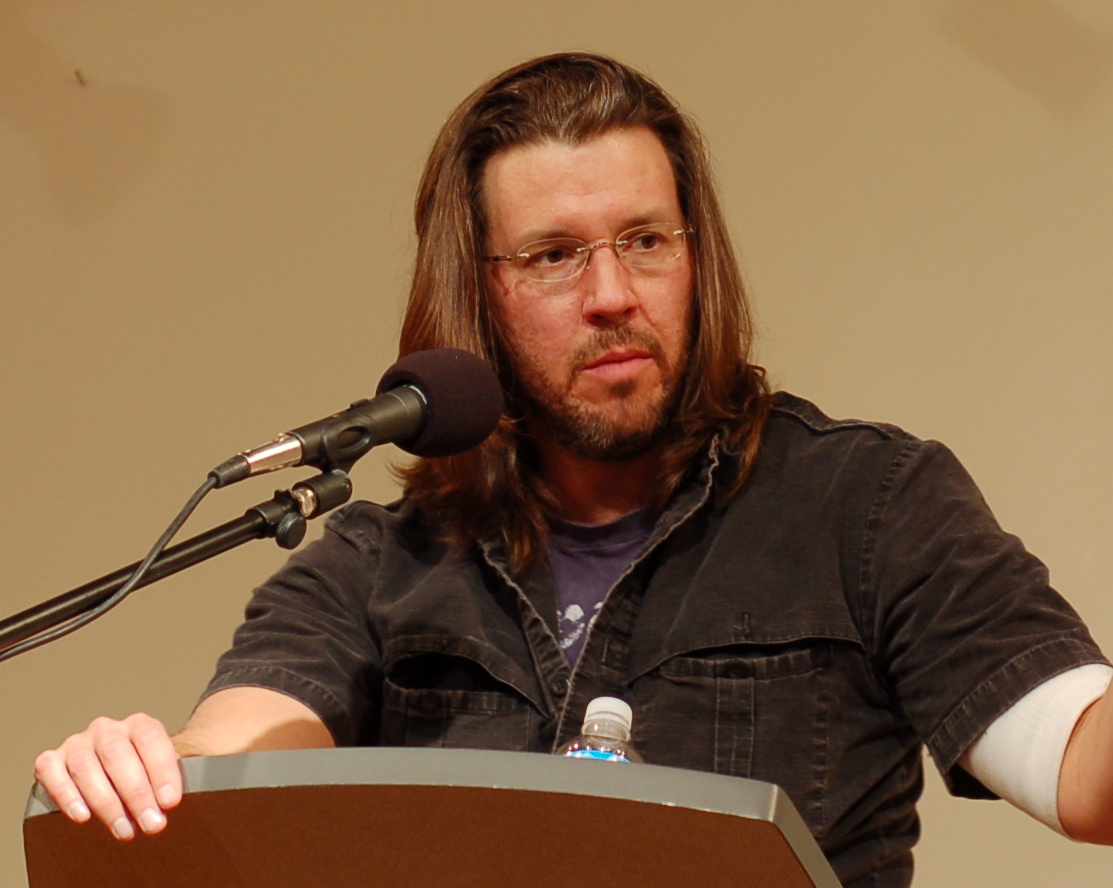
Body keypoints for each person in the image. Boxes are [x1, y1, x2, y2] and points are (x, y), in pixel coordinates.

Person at [33, 53, 1113, 887]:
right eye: (554, 257)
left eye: (646, 240)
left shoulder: (870, 506)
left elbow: (1079, 766)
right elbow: (234, 764)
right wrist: (137, 771)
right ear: (481, 294)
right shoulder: (377, 563)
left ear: (696, 257)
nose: (612, 294)